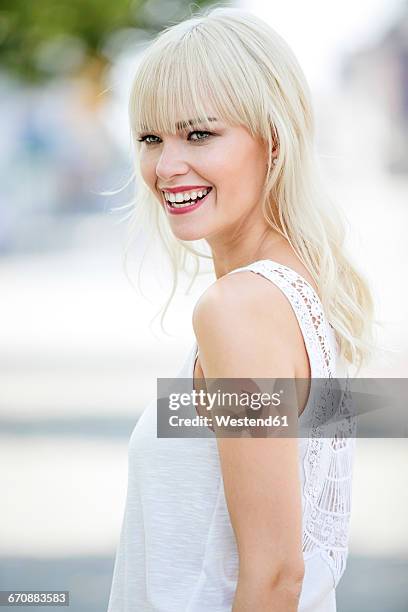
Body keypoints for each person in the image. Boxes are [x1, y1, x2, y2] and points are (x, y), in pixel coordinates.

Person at [107, 6, 376, 611]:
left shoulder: (240, 309)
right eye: (151, 138)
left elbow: (277, 574)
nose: (166, 165)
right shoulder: (296, 291)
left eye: (198, 133)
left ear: (273, 140)